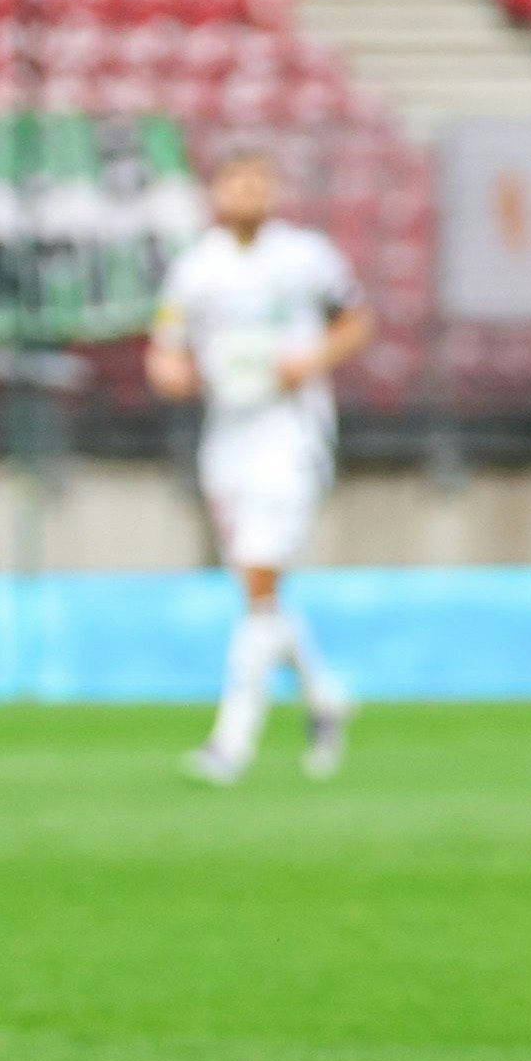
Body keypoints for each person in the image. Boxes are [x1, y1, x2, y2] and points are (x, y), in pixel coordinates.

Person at [145, 148, 372, 786]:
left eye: (258, 182)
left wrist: (313, 359)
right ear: (215, 192)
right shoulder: (195, 270)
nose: (247, 193)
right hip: (227, 437)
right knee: (258, 589)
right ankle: (325, 696)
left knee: (257, 581)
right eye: (235, 182)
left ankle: (231, 743)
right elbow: (165, 348)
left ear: (272, 191)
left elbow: (357, 320)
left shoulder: (305, 256)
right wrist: (173, 374)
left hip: (291, 434)